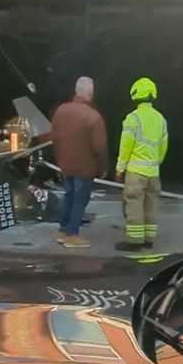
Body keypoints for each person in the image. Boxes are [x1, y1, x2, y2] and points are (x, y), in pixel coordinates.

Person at [50, 76, 108, 249]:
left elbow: (54, 137)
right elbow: (100, 147)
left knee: (69, 196)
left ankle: (63, 229)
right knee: (79, 200)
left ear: (76, 91)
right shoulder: (93, 117)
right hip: (85, 168)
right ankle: (72, 235)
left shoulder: (61, 110)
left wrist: (59, 159)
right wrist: (104, 167)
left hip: (65, 165)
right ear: (90, 93)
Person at [115, 77, 169, 252]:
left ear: (135, 94)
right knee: (151, 203)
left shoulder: (133, 119)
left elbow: (125, 147)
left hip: (136, 172)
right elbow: (163, 146)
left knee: (134, 204)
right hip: (154, 171)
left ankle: (134, 241)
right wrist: (156, 163)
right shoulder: (161, 119)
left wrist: (120, 169)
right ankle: (148, 239)